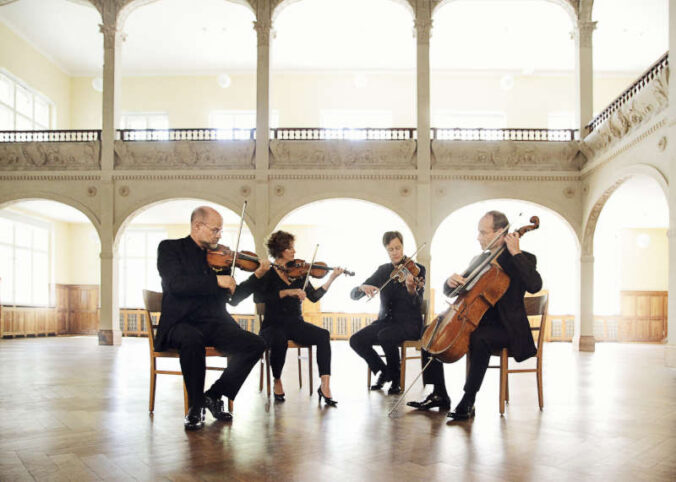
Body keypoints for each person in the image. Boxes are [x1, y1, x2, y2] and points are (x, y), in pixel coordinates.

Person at [407, 210, 542, 419]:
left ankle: (468, 400)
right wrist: (449, 282)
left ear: (500, 232)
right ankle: (438, 393)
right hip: (474, 320)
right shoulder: (479, 260)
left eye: (482, 232)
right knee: (431, 331)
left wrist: (516, 253)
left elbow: (535, 285)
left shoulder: (522, 258)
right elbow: (455, 291)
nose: (478, 238)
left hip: (508, 329)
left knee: (481, 338)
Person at [156, 206, 269, 430]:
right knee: (191, 339)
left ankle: (214, 395)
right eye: (215, 230)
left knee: (256, 344)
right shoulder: (171, 248)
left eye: (220, 231)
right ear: (197, 226)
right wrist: (216, 282)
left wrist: (256, 276)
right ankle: (195, 406)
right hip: (181, 322)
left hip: (215, 322)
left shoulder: (221, 259)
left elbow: (234, 298)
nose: (219, 235)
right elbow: (175, 285)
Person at [257, 230, 344, 406]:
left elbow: (314, 296)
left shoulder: (300, 273)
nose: (294, 252)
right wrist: (287, 292)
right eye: (290, 248)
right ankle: (277, 380)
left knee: (323, 335)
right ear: (280, 250)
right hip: (272, 325)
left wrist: (332, 279)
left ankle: (325, 385)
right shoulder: (268, 272)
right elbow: (258, 298)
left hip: (295, 323)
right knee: (279, 339)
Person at [349, 231, 425, 395]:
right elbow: (353, 295)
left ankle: (396, 378)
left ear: (403, 247)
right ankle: (383, 371)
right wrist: (362, 288)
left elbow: (418, 303)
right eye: (391, 249)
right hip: (385, 321)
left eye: (398, 248)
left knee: (385, 335)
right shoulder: (383, 271)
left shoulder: (417, 270)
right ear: (386, 250)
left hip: (409, 323)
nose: (395, 252)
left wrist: (412, 289)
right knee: (356, 340)